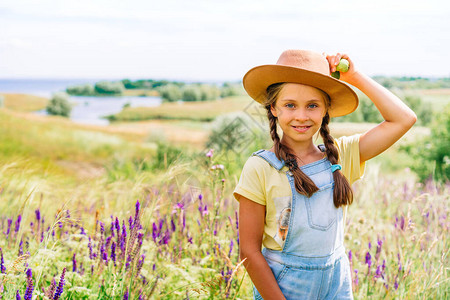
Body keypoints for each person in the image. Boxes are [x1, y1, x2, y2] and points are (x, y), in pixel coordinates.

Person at [233, 49, 417, 300]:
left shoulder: (340, 156)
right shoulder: (261, 167)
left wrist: (355, 76)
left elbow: (403, 119)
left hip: (336, 284)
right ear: (273, 108)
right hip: (285, 287)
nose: (301, 116)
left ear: (325, 110)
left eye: (312, 105)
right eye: (290, 105)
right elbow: (249, 251)